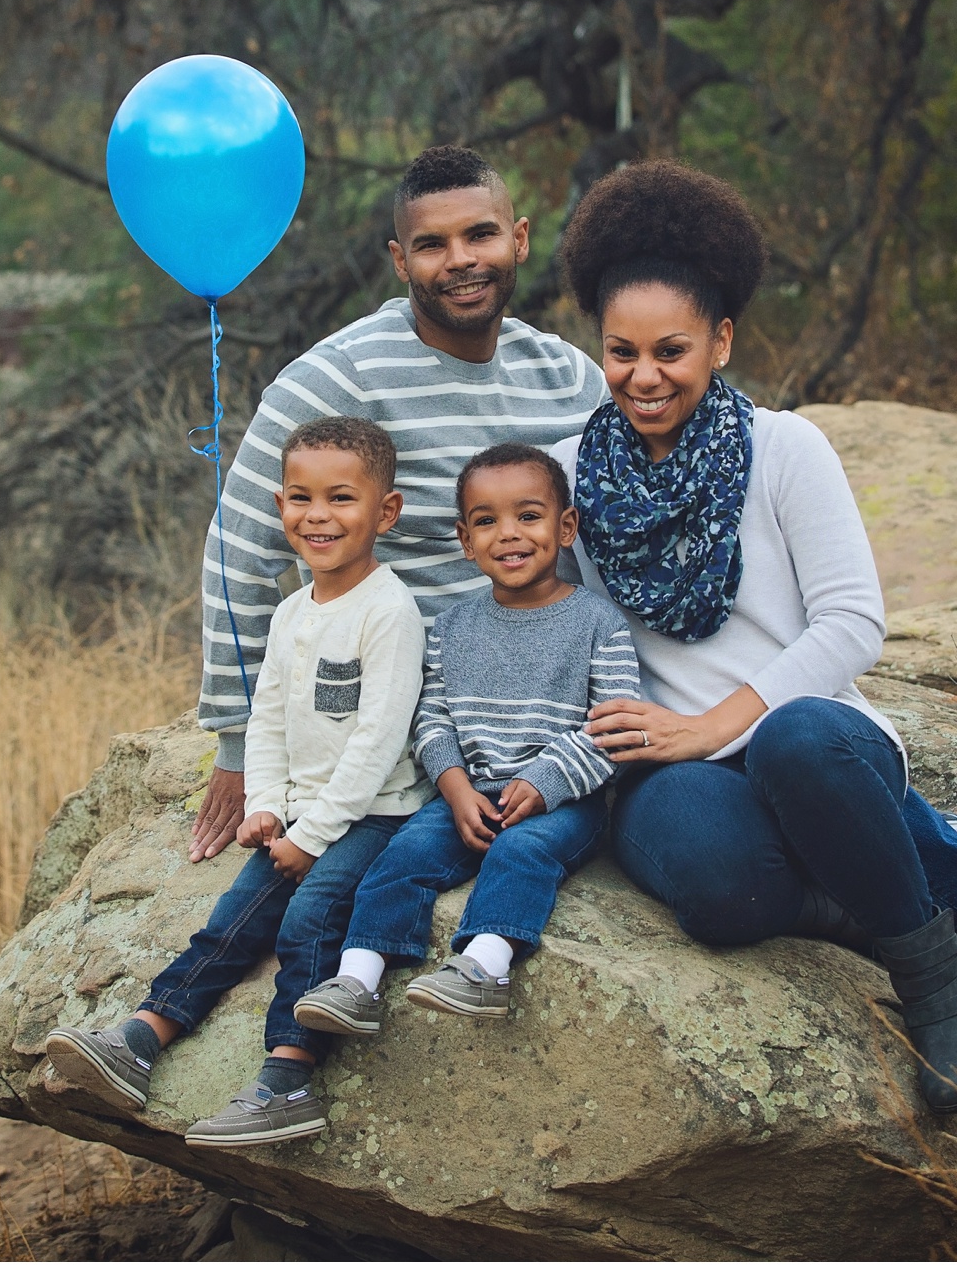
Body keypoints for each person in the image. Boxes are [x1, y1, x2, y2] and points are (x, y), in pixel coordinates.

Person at [544, 161, 957, 1117]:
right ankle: (915, 881)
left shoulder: (786, 449)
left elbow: (853, 623)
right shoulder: (569, 473)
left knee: (796, 743)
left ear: (723, 340)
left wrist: (719, 724)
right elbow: (556, 623)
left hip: (807, 736)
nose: (643, 376)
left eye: (671, 350)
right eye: (621, 352)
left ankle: (938, 991)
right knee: (719, 890)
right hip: (668, 764)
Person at [188, 146, 609, 863]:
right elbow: (240, 553)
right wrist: (240, 751)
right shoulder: (335, 379)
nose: (460, 261)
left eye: (480, 235)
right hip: (403, 725)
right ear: (399, 259)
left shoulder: (569, 378)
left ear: (520, 239)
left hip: (552, 721)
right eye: (431, 245)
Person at [43, 416, 432, 1148]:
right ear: (280, 505)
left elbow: (380, 742)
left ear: (386, 512)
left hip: (375, 814)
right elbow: (269, 724)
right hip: (302, 814)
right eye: (299, 497)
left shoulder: (389, 611)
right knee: (234, 917)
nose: (317, 516)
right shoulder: (290, 614)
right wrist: (265, 809)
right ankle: (141, 1035)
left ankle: (286, 1079)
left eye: (341, 498)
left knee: (308, 918)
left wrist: (313, 838)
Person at [291, 443, 638, 1035]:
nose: (509, 535)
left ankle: (484, 967)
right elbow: (432, 716)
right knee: (402, 857)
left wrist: (544, 780)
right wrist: (453, 788)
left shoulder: (597, 623)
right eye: (486, 522)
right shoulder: (453, 626)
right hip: (468, 794)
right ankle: (359, 975)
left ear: (567, 526)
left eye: (529, 516)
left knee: (521, 853)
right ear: (464, 539)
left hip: (560, 803)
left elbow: (612, 726)